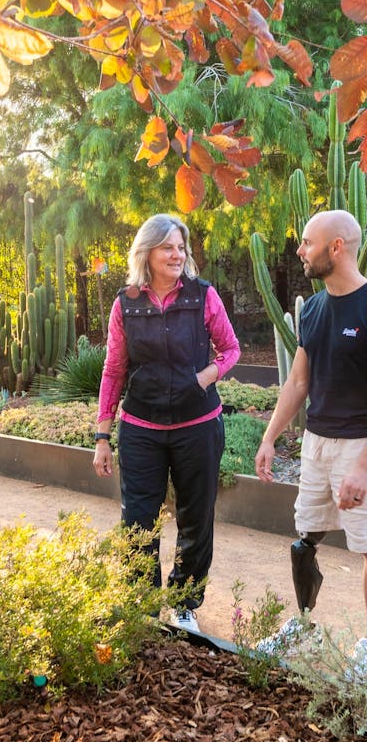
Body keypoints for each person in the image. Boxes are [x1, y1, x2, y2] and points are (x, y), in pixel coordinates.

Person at [93, 213, 241, 632]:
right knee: (138, 518)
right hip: (141, 428)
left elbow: (230, 349)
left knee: (197, 517)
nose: (178, 255)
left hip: (198, 425)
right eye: (168, 248)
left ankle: (184, 604)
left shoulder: (203, 296)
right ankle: (141, 608)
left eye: (181, 247)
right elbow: (113, 369)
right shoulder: (125, 303)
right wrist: (103, 435)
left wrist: (204, 377)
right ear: (148, 252)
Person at [255, 209, 367, 659]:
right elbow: (298, 381)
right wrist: (270, 437)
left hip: (359, 444)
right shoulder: (316, 308)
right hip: (317, 444)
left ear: (336, 248)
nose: (300, 251)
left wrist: (361, 467)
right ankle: (303, 626)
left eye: (307, 242)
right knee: (305, 541)